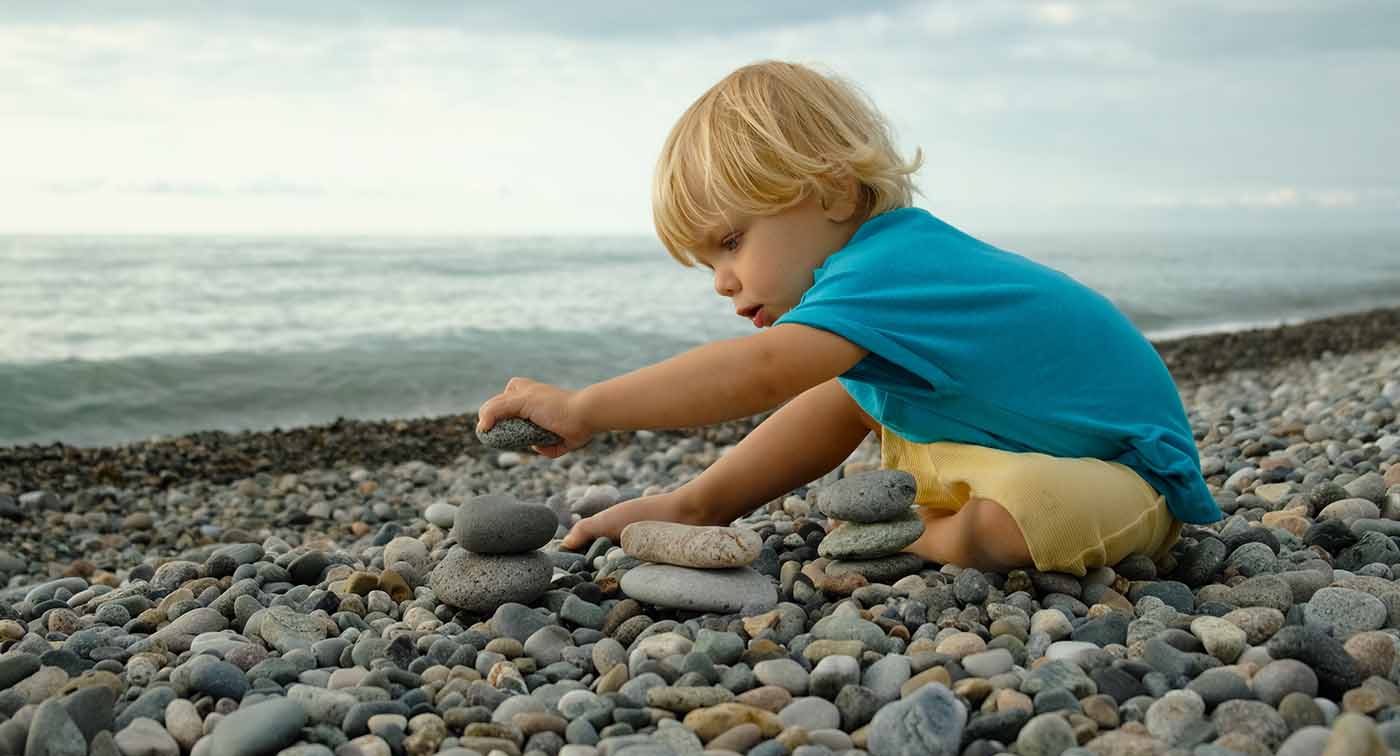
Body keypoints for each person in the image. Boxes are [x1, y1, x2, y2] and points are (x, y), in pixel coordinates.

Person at [477, 60, 1222, 576]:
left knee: (1029, 515)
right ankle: (903, 521)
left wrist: (585, 407)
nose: (723, 281)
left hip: (1128, 473)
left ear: (833, 194)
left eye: (733, 242)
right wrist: (695, 504)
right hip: (999, 444)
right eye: (708, 263)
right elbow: (827, 410)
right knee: (851, 395)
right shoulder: (869, 298)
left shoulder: (892, 267)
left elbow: (764, 373)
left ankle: (927, 538)